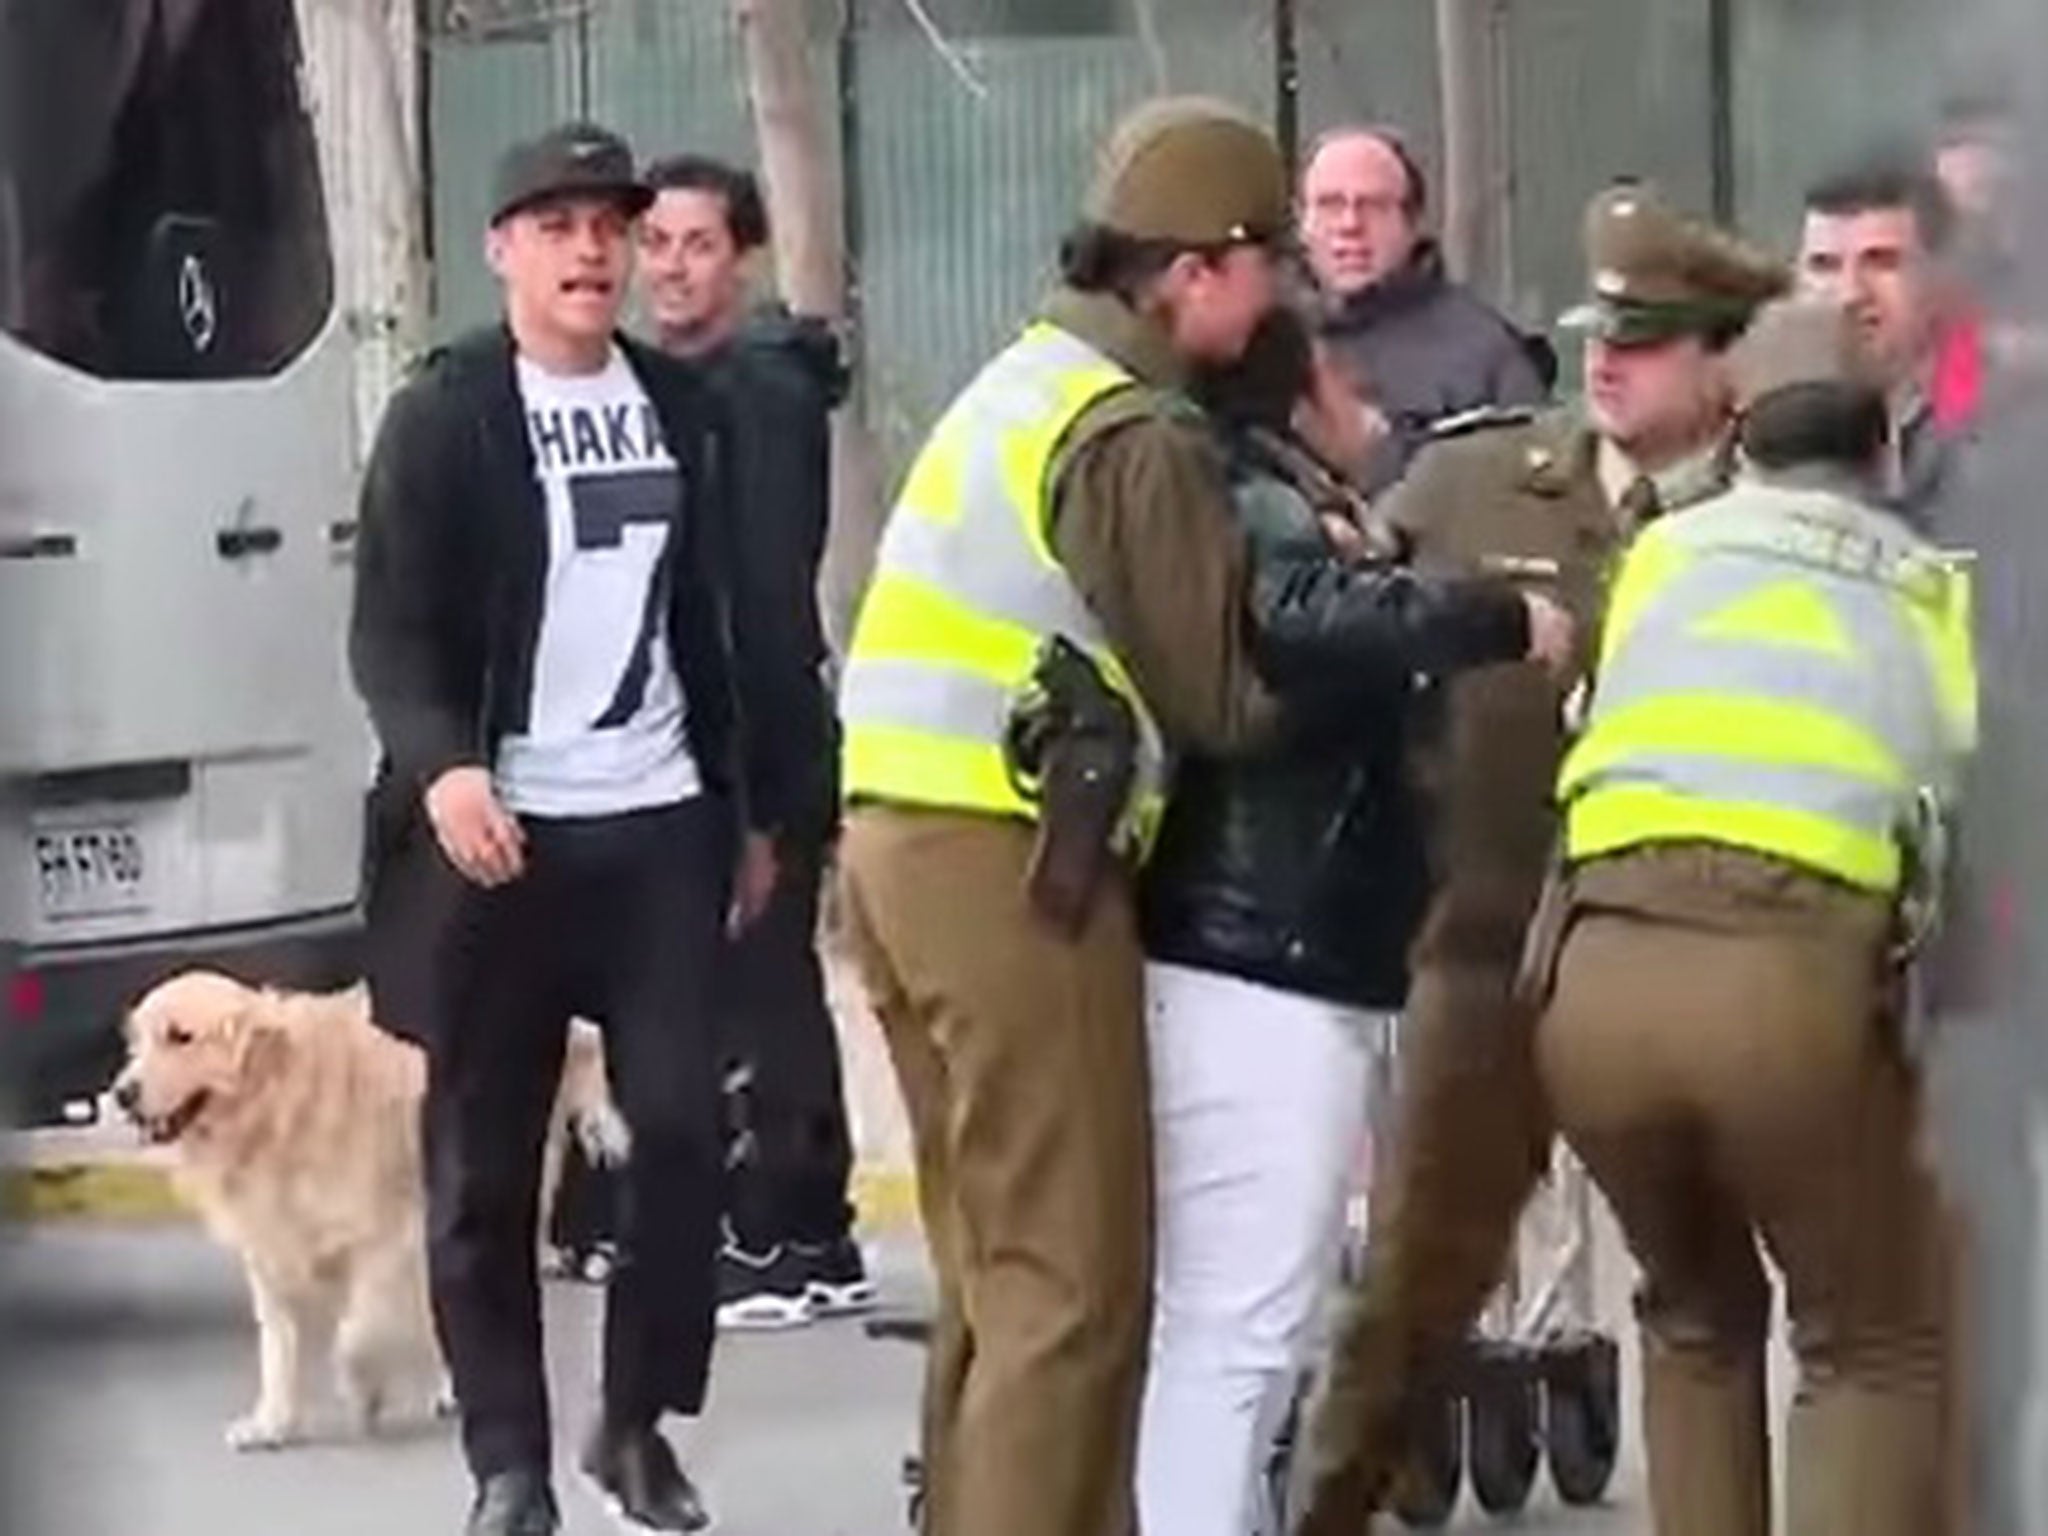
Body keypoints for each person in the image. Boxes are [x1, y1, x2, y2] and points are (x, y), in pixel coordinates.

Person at [834, 95, 1305, 1536]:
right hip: (1015, 869)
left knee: (993, 1272)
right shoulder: (1128, 432)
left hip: (898, 853)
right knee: (1076, 1287)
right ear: (1199, 269)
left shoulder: (1020, 381)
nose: (1280, 291)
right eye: (1267, 261)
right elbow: (1224, 696)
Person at [1294, 181, 1789, 1533]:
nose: (1609, 361)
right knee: (1413, 1289)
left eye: (1655, 337)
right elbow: (1334, 630)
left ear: (1730, 364)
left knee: (1702, 1296)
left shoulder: (1781, 527)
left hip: (1691, 967)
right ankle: (1325, 1508)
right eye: (1601, 332)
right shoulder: (1476, 482)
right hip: (1488, 944)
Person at [350, 122, 809, 1536]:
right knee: (485, 1169)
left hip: (659, 823)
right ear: (501, 252)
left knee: (677, 1135)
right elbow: (393, 631)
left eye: (608, 225)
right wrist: (444, 771)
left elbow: (727, 620)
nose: (592, 250)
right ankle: (509, 1462)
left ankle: (636, 1421)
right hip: (500, 843)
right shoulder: (447, 414)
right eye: (556, 225)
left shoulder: (685, 407)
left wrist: (752, 807)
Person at [1528, 294, 1978, 1536]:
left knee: (1690, 1313)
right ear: (1880, 444)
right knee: (1869, 1340)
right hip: (1785, 989)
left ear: (1736, 439)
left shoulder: (1661, 554)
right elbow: (1965, 797)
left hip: (1592, 983)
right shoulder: (1928, 591)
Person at [1132, 304, 1572, 1536]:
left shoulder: (1279, 495)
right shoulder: (1259, 503)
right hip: (1264, 949)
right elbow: (1311, 622)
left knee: (1247, 1325)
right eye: (1342, 371)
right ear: (1301, 385)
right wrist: (1495, 618)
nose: (1372, 396)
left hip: (1289, 945)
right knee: (1243, 1324)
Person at [634, 152, 872, 1329]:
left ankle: (801, 1233)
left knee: (769, 989)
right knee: (723, 993)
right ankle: (743, 1211)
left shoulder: (760, 395)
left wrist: (769, 808)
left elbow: (767, 604)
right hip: (693, 741)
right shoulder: (672, 387)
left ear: (745, 256)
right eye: (657, 244)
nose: (672, 267)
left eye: (697, 244)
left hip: (765, 744)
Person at [1296, 125, 1550, 496]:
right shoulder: (1253, 333)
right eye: (1330, 204)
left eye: (1374, 206)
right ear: (1301, 220)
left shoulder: (1485, 352)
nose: (1350, 225)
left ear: (1413, 223)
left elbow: (1525, 499)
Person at [1797, 154, 1971, 522]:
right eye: (1823, 266)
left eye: (1882, 262)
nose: (1850, 294)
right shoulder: (1771, 425)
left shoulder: (2000, 421)